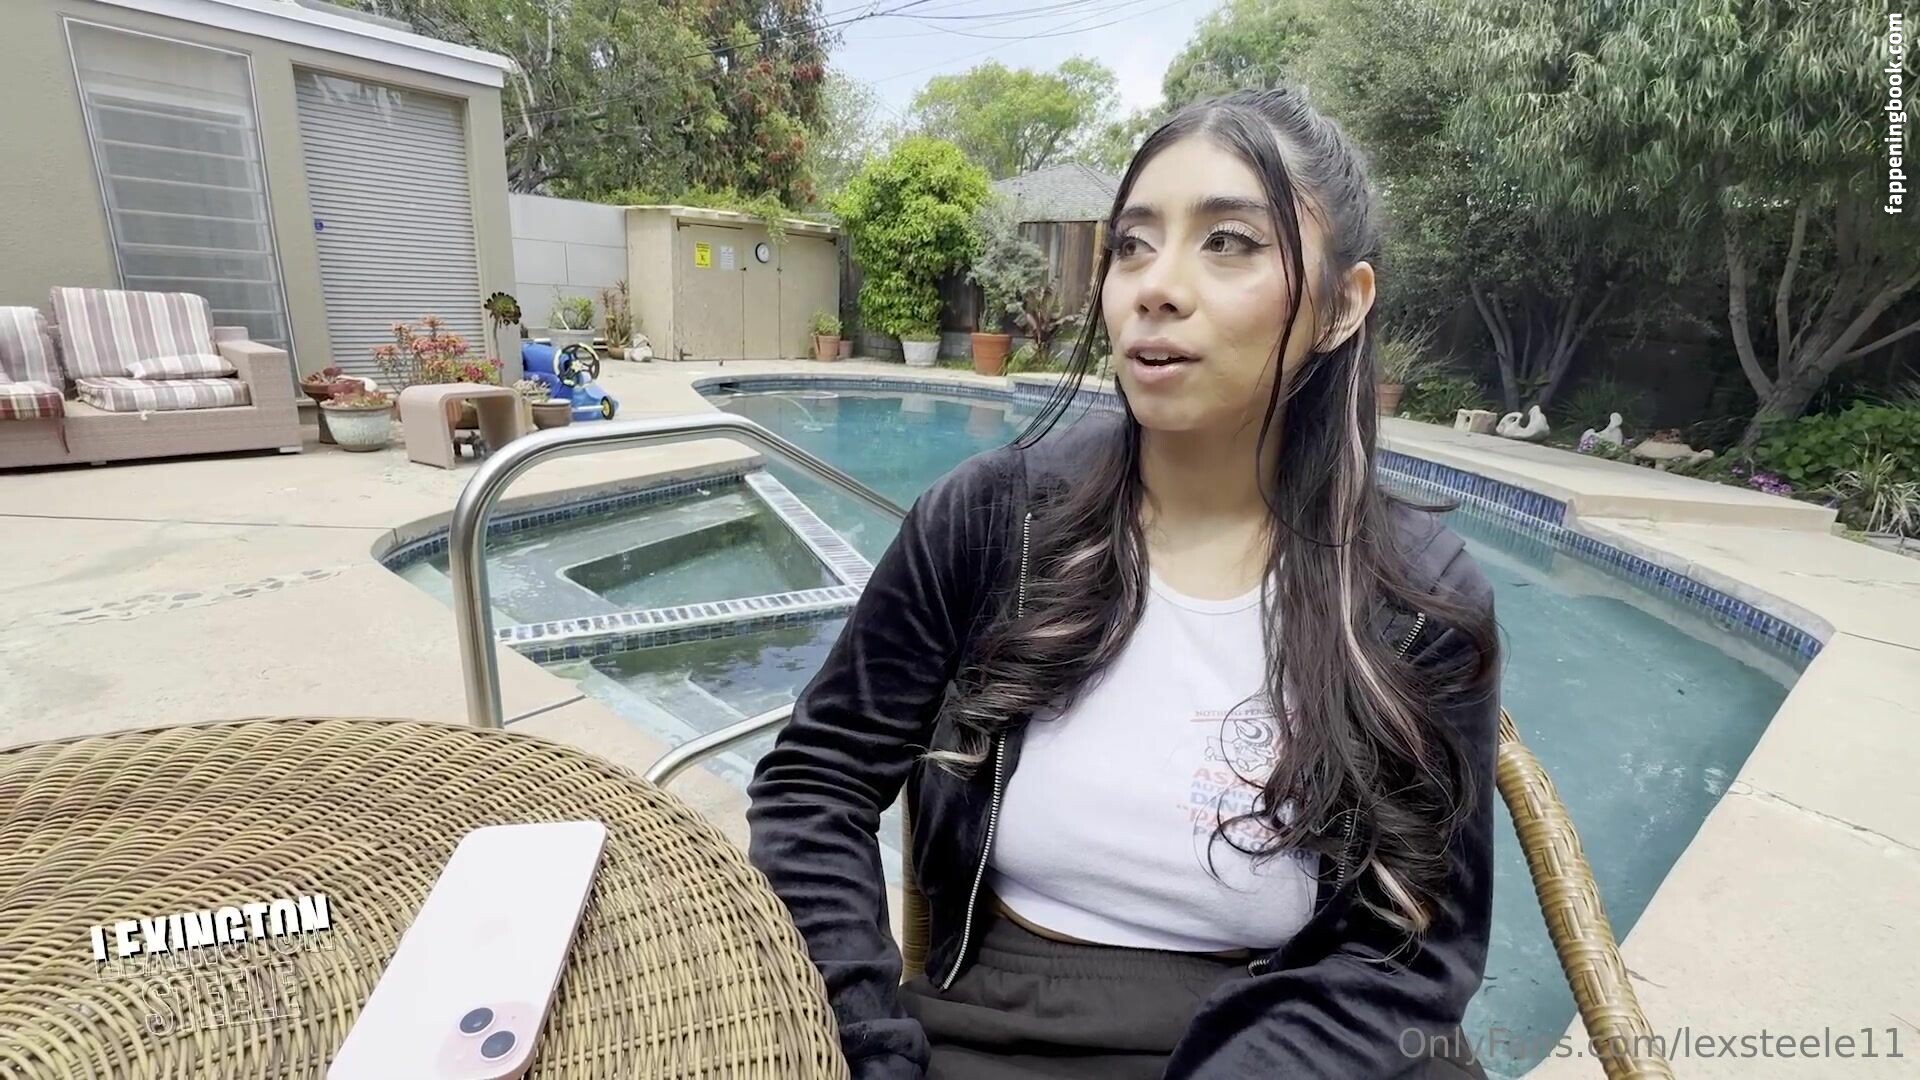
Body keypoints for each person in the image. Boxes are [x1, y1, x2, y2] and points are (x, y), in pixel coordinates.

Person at [746, 85, 1501, 1080]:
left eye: (1228, 242)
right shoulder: (991, 523)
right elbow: (816, 782)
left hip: (1306, 1037)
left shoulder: (1414, 600)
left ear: (1343, 304)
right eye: (1134, 245)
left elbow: (1417, 949)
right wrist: (864, 1035)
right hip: (1009, 1026)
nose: (1157, 286)